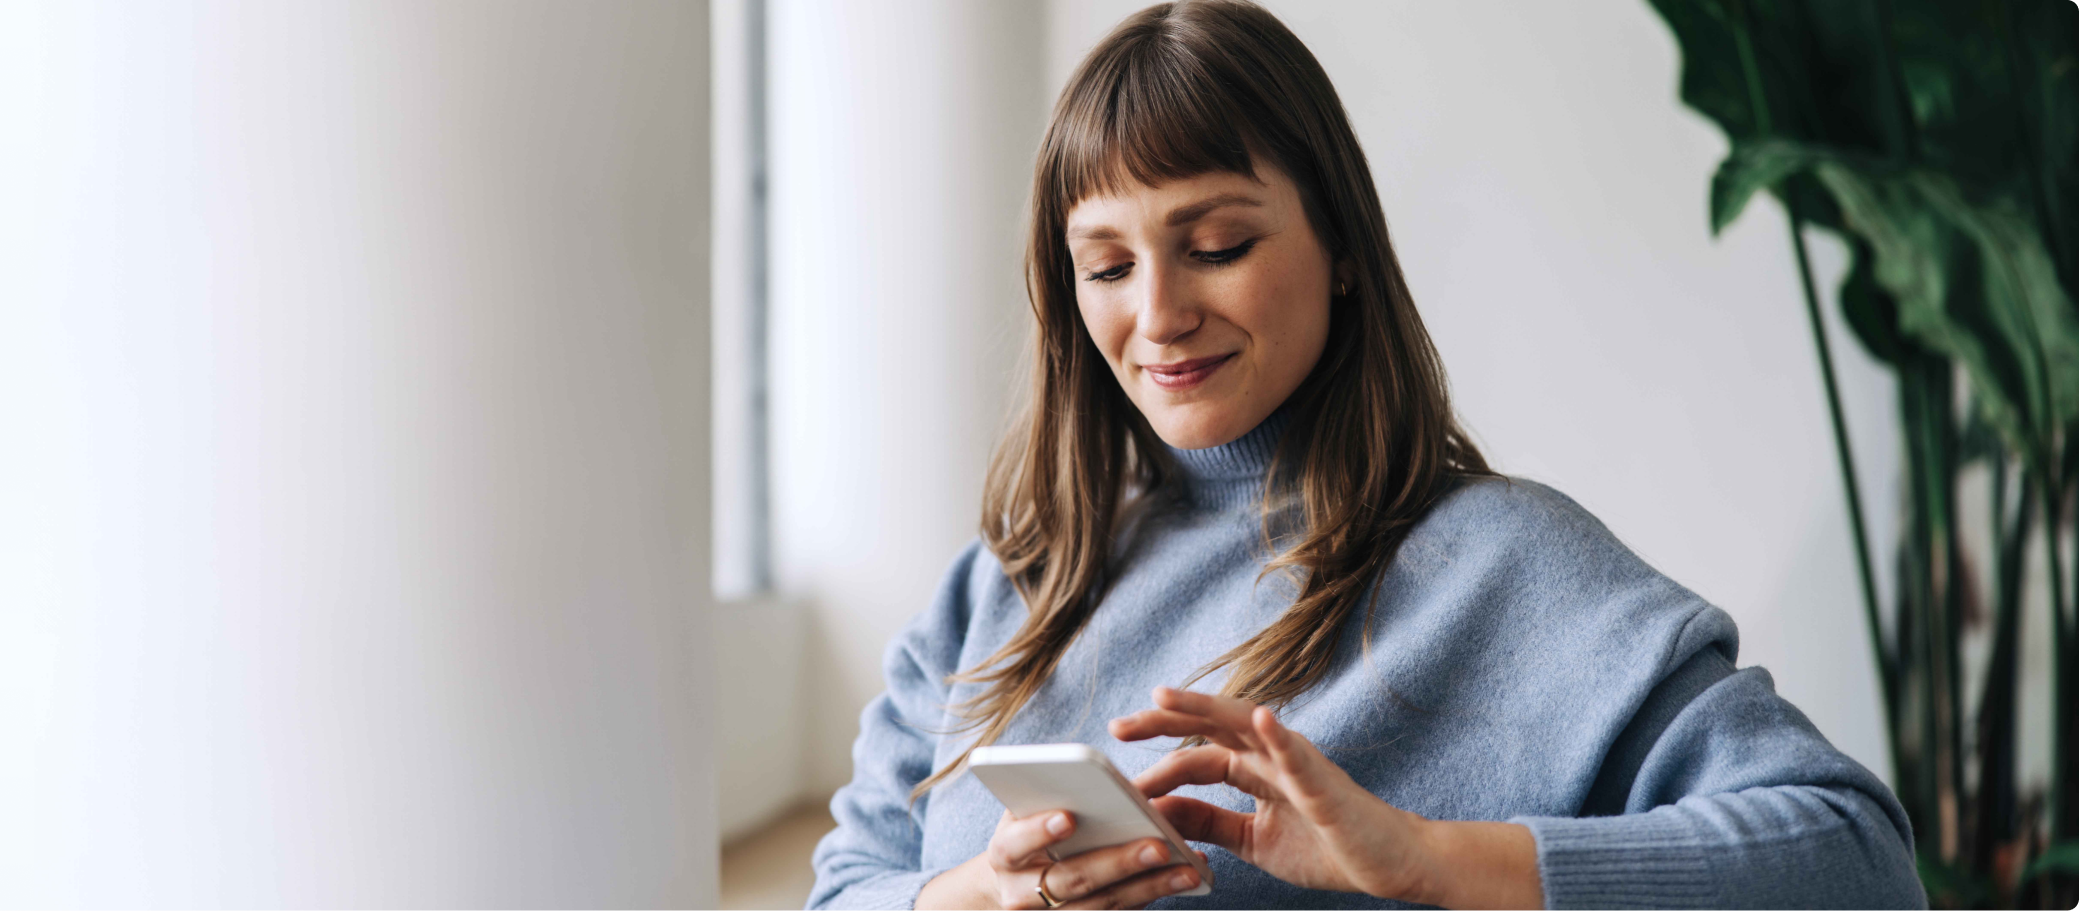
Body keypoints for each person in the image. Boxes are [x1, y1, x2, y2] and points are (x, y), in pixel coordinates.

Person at [805, 2, 1926, 909]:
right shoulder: (1006, 586)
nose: (1157, 314)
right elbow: (847, 887)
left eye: (1217, 246)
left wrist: (1427, 858)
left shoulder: (1503, 567)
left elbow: (1855, 853)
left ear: (1339, 245)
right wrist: (980, 895)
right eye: (1106, 266)